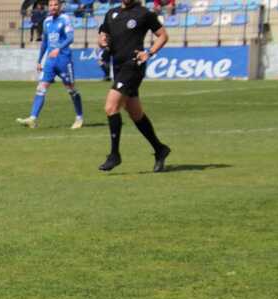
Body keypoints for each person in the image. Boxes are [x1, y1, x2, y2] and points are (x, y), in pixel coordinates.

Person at [97, 0, 171, 172]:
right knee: (135, 113)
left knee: (111, 107)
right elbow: (103, 32)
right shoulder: (111, 13)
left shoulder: (144, 13)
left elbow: (163, 36)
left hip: (133, 66)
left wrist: (149, 53)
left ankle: (114, 155)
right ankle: (160, 149)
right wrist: (101, 39)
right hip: (118, 67)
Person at [16, 0, 83, 130]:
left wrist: (59, 48)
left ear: (60, 6)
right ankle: (32, 119)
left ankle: (79, 117)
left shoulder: (65, 19)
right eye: (51, 5)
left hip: (64, 60)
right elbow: (45, 43)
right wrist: (39, 60)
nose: (53, 7)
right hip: (50, 61)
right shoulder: (47, 21)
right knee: (41, 88)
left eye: (55, 5)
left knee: (71, 89)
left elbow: (70, 38)